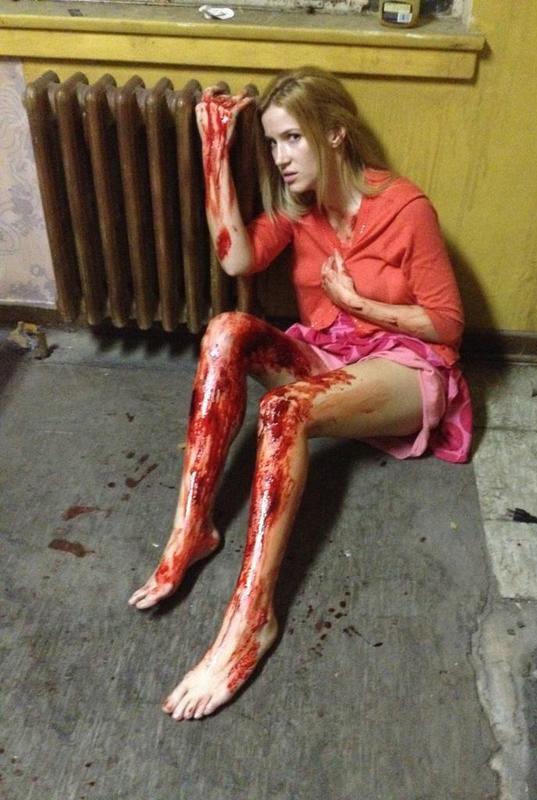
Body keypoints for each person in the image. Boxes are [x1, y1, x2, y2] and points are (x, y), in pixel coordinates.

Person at [128, 67, 472, 720]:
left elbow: (449, 325)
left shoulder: (407, 210)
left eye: (292, 139)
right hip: (333, 355)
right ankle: (191, 529)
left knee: (283, 410)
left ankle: (251, 616)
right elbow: (236, 259)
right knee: (227, 330)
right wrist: (214, 151)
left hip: (406, 367)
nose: (280, 158)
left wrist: (360, 303)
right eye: (272, 143)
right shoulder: (299, 209)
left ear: (334, 133)